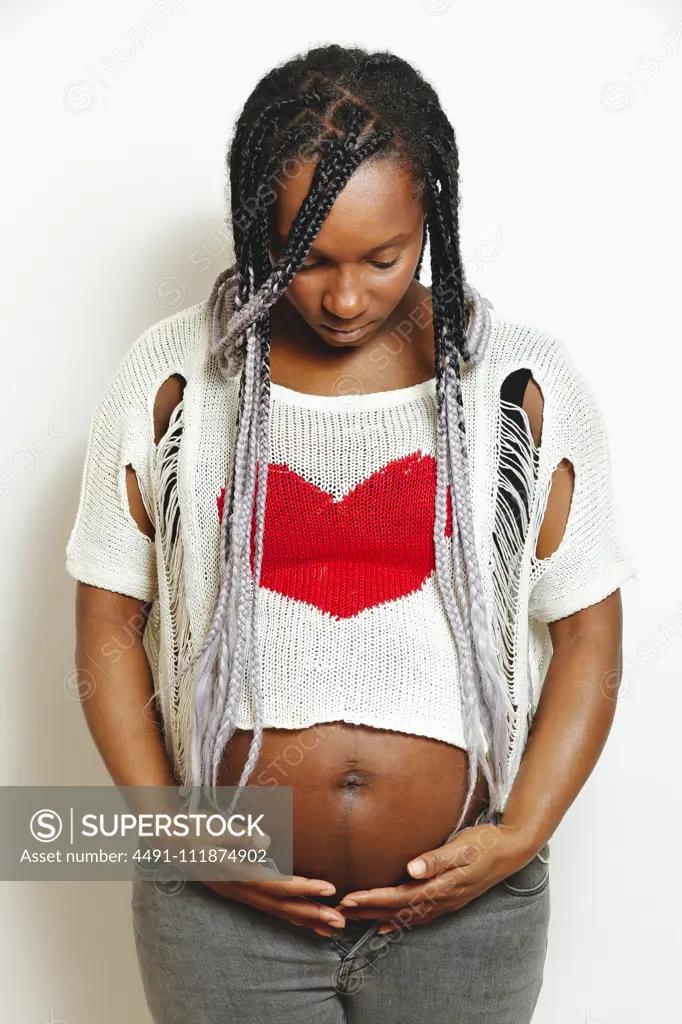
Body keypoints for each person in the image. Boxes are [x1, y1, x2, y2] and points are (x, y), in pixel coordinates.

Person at [65, 43, 636, 1024]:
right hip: (220, 914)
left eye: (383, 256)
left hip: (466, 915)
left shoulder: (520, 386)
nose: (342, 297)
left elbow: (589, 633)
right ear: (256, 230)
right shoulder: (176, 379)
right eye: (306, 258)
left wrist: (520, 831)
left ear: (432, 223)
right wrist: (172, 830)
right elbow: (108, 624)